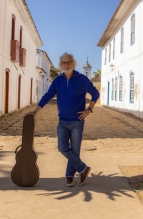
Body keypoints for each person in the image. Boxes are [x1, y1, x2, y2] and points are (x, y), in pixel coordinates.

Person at [27, 52, 99, 187]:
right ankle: (83, 168)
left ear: (74, 63)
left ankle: (69, 176)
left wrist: (89, 110)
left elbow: (95, 93)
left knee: (75, 150)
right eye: (64, 63)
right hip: (62, 121)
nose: (67, 65)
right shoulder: (58, 81)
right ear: (60, 65)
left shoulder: (82, 79)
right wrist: (35, 111)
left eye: (69, 62)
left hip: (77, 121)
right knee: (62, 148)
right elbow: (47, 96)